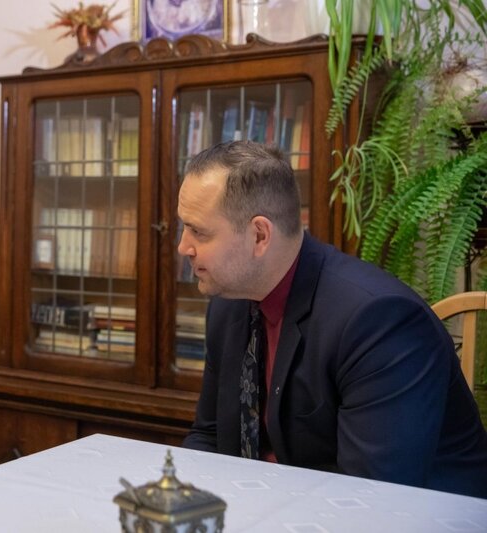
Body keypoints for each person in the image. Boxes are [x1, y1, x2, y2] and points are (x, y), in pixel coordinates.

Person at [178, 141, 487, 498]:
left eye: (199, 231)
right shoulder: (229, 302)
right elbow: (209, 436)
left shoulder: (379, 321)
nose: (183, 246)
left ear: (259, 235)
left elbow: (371, 497)